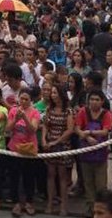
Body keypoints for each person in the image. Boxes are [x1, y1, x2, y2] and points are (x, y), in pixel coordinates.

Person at [76, 89, 112, 213]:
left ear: (102, 101)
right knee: (88, 182)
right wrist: (86, 137)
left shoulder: (107, 114)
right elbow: (77, 128)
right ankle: (91, 208)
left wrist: (90, 132)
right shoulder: (83, 111)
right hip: (85, 152)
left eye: (97, 99)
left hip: (100, 154)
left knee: (101, 184)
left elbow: (105, 131)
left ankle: (102, 208)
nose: (94, 102)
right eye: (91, 99)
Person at [7, 88, 41, 216]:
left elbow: (33, 129)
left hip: (29, 149)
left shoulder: (35, 113)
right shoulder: (13, 110)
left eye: (26, 99)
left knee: (29, 177)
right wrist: (15, 119)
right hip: (14, 149)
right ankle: (16, 203)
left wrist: (25, 118)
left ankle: (29, 202)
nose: (24, 101)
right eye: (22, 98)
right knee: (14, 176)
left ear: (31, 100)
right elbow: (7, 129)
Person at [41, 84, 74, 216]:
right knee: (50, 174)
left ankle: (63, 206)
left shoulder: (68, 111)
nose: (52, 95)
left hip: (62, 145)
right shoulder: (50, 108)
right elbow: (45, 125)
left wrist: (57, 141)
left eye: (55, 93)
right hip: (49, 144)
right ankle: (49, 203)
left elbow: (70, 129)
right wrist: (44, 139)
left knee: (62, 176)